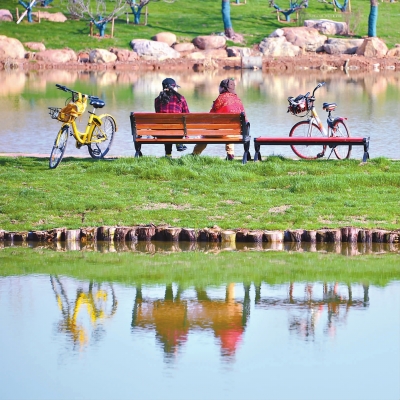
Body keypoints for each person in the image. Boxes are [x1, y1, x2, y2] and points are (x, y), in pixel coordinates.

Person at [192, 78, 246, 160]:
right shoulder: (238, 99)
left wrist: (212, 107)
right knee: (230, 131)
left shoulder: (220, 98)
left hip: (221, 132)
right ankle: (230, 155)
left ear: (223, 88)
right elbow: (245, 118)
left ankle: (195, 154)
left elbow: (211, 117)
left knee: (204, 136)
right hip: (235, 133)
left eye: (219, 87)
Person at [155, 78, 189, 158]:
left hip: (162, 132)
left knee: (166, 127)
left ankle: (168, 154)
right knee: (177, 126)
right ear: (173, 88)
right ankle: (178, 142)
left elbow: (158, 114)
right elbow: (187, 115)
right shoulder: (181, 98)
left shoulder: (157, 100)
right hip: (178, 132)